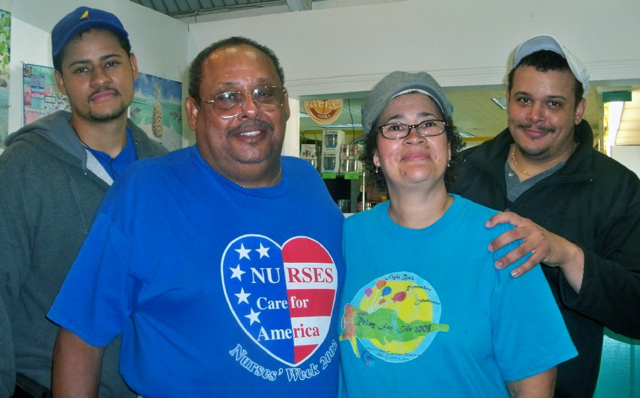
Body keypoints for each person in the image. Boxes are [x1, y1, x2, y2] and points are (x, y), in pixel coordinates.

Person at [47, 36, 345, 397]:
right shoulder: (145, 191)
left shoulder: (309, 183)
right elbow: (81, 337)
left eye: (264, 93)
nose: (250, 110)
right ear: (193, 113)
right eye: (227, 98)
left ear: (283, 104)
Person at [338, 71, 577, 398]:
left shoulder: (501, 238)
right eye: (395, 126)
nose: (414, 137)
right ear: (376, 155)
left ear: (449, 146)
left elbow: (533, 387)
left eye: (428, 124)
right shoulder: (344, 239)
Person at [451, 34, 640, 397]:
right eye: (524, 100)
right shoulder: (460, 172)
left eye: (554, 103)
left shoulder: (617, 188)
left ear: (579, 109)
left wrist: (567, 255)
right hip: (460, 385)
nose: (535, 116)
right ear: (507, 100)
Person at [0, 7, 167, 398]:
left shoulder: (162, 169)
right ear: (61, 82)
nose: (99, 79)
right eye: (81, 69)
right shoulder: (22, 168)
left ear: (133, 66)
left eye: (110, 62)